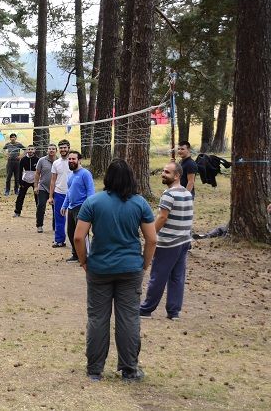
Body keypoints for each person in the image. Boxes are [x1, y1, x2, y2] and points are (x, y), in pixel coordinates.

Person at [73, 159, 157, 382]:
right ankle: (130, 369)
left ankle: (94, 370)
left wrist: (84, 261)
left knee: (98, 318)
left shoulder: (93, 202)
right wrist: (144, 263)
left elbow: (79, 236)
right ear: (131, 178)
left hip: (99, 269)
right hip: (130, 269)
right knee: (128, 318)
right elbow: (152, 239)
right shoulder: (140, 204)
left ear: (108, 177)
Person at [140, 162, 194, 320]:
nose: (163, 174)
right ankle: (174, 311)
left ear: (177, 176)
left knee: (158, 275)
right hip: (184, 241)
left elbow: (162, 217)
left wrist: (151, 234)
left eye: (167, 172)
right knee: (177, 277)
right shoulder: (186, 193)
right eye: (163, 171)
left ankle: (146, 309)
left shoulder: (169, 194)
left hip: (169, 242)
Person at [61, 151, 95, 262]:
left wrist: (88, 207)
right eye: (69, 159)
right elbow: (69, 192)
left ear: (79, 160)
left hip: (82, 207)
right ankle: (76, 255)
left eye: (73, 159)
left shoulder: (85, 173)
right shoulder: (70, 175)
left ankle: (86, 256)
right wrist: (64, 205)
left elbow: (90, 191)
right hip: (71, 208)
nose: (71, 161)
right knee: (71, 232)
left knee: (82, 234)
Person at [49, 139, 70, 247]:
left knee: (74, 218)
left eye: (64, 148)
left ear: (68, 148)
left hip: (72, 194)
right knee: (59, 218)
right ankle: (60, 240)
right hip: (59, 193)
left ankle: (76, 241)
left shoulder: (73, 161)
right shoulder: (56, 163)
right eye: (61, 148)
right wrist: (51, 196)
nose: (63, 150)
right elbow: (53, 180)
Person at [34, 144, 57, 233]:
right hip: (43, 187)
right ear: (47, 150)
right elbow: (37, 173)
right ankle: (39, 225)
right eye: (49, 149)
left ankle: (55, 227)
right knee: (41, 205)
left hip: (56, 188)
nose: (51, 150)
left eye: (53, 149)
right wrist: (36, 186)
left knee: (56, 208)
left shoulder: (59, 161)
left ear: (56, 151)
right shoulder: (42, 160)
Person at [14, 144, 39, 217]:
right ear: (27, 150)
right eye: (29, 149)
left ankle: (40, 212)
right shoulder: (23, 159)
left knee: (37, 197)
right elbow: (20, 171)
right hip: (25, 179)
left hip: (35, 180)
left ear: (34, 150)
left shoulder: (38, 159)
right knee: (20, 196)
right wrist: (20, 181)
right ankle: (17, 212)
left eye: (32, 149)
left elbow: (40, 171)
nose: (30, 151)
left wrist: (39, 182)